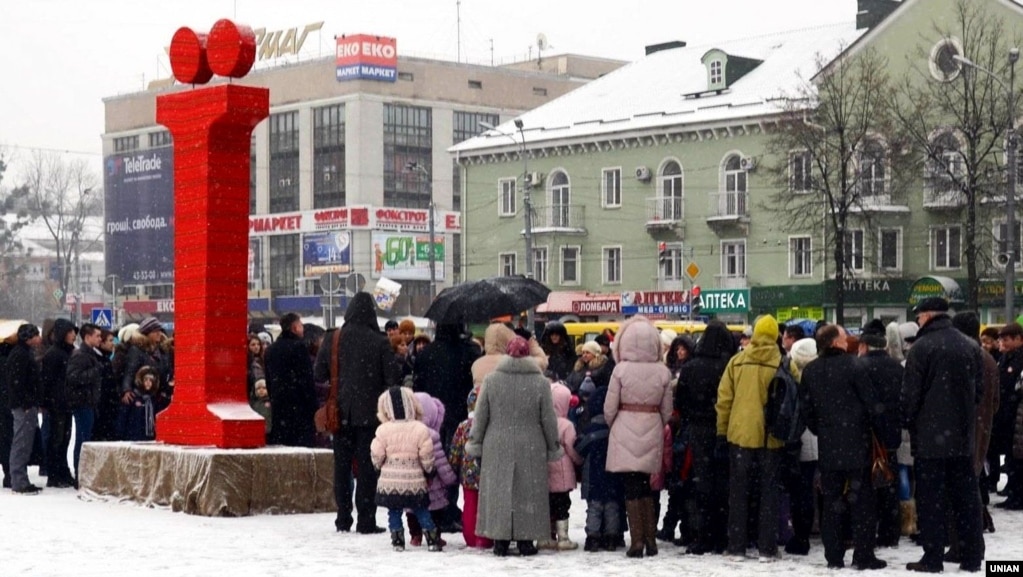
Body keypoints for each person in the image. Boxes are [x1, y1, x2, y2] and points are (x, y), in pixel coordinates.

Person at [901, 297, 984, 573]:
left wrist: (911, 421)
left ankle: (933, 556)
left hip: (930, 440)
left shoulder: (921, 348)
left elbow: (910, 397)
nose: (918, 321)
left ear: (927, 316)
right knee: (966, 497)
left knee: (931, 500)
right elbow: (979, 393)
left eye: (919, 316)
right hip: (962, 437)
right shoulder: (970, 345)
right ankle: (972, 555)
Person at [468, 336, 562, 557]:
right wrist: (553, 445)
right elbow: (548, 418)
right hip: (531, 442)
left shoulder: (491, 380)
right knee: (529, 491)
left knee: (499, 490)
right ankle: (526, 540)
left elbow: (480, 416)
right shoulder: (539, 382)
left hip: (496, 441)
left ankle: (499, 539)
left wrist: (476, 442)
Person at [803, 324, 886, 570]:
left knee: (831, 502)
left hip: (828, 446)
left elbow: (806, 410)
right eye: (843, 336)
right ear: (836, 342)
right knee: (862, 502)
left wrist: (823, 429)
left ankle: (834, 556)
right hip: (857, 444)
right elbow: (872, 405)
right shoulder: (855, 366)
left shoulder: (811, 370)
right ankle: (863, 554)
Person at [716, 314, 784, 562]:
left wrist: (722, 432)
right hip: (771, 438)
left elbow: (724, 401)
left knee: (739, 493)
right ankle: (767, 547)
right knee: (768, 494)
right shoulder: (782, 362)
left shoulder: (737, 361)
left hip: (740, 435)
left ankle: (737, 546)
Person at [604, 316, 673, 558]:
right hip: (652, 423)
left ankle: (637, 542)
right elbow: (667, 410)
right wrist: (655, 423)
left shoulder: (620, 370)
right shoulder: (663, 372)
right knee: (646, 484)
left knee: (631, 486)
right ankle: (651, 539)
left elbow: (609, 408)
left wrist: (617, 424)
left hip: (624, 424)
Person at [334, 292, 402, 534]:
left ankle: (343, 518)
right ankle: (366, 520)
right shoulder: (380, 341)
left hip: (340, 414)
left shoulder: (336, 339)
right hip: (369, 415)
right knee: (366, 468)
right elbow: (392, 378)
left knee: (341, 468)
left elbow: (320, 372)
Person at [412, 322, 481, 533]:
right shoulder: (467, 352)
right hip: (459, 414)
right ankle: (451, 510)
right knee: (454, 465)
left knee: (433, 465)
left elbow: (418, 386)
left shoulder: (426, 354)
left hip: (432, 415)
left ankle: (436, 510)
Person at [675, 320, 736, 555]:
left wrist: (692, 416)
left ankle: (702, 534)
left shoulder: (691, 367)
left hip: (699, 429)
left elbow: (680, 400)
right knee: (723, 483)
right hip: (724, 428)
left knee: (701, 482)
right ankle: (721, 535)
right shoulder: (728, 365)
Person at [370, 386, 442, 552]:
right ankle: (432, 539)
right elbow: (427, 454)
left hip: (391, 482)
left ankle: (397, 541)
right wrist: (429, 470)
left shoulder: (383, 430)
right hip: (414, 480)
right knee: (421, 510)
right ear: (412, 404)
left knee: (394, 512)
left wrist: (378, 466)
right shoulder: (420, 428)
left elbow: (377, 454)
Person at [858, 319, 904, 550]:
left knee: (868, 486)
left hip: (866, 436)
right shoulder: (897, 367)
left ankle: (870, 529)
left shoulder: (859, 367)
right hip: (891, 434)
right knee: (890, 482)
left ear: (864, 346)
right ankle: (890, 530)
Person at [405, 392, 457, 548]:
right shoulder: (432, 435)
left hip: (411, 483)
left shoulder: (407, 433)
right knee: (436, 512)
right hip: (432, 486)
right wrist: (451, 478)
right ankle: (434, 535)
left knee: (412, 511)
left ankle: (416, 535)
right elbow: (440, 462)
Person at [263, 313, 318, 448]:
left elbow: (269, 381)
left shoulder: (271, 350)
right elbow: (307, 381)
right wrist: (313, 407)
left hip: (279, 409)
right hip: (299, 411)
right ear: (294, 328)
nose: (303, 329)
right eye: (300, 325)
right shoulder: (299, 348)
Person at [540, 381, 583, 550]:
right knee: (563, 505)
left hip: (545, 471)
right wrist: (578, 461)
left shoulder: (541, 422)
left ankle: (546, 536)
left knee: (547, 505)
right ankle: (563, 537)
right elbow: (571, 447)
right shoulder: (567, 425)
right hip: (563, 472)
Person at [447, 388, 492, 549]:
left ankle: (470, 536)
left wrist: (453, 466)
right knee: (487, 505)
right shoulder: (492, 424)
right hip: (489, 471)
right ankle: (485, 537)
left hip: (468, 472)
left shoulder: (464, 426)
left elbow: (455, 449)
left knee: (470, 505)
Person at [39, 318, 78, 488]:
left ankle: (62, 471)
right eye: (70, 332)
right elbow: (46, 380)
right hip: (56, 403)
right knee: (56, 439)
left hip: (66, 402)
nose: (73, 335)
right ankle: (54, 474)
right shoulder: (54, 354)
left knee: (65, 439)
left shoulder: (68, 352)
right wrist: (46, 402)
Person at [66, 323, 106, 484]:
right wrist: (95, 372)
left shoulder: (91, 354)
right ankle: (79, 473)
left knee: (86, 439)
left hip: (88, 402)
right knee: (82, 440)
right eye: (97, 335)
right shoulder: (81, 355)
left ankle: (83, 472)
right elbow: (73, 377)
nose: (100, 338)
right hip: (82, 403)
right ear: (88, 337)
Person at [6, 324, 44, 494]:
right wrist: (27, 403)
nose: (39, 338)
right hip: (24, 407)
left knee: (25, 442)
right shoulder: (20, 355)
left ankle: (21, 478)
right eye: (36, 335)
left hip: (26, 404)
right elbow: (18, 383)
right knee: (21, 442)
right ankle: (18, 480)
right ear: (28, 337)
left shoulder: (23, 353)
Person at [993, 322, 1023, 510]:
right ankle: (1012, 492)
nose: (1003, 343)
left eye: (1007, 339)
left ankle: (1018, 495)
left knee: (1018, 460)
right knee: (1011, 459)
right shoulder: (1005, 358)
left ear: (1018, 339)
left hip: (1017, 416)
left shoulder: (1019, 359)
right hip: (1006, 415)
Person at [117, 366, 170, 441]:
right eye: (146, 380)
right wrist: (120, 435)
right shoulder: (132, 397)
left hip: (150, 438)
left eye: (151, 380)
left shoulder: (155, 400)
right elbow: (122, 419)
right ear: (141, 380)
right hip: (133, 437)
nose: (148, 382)